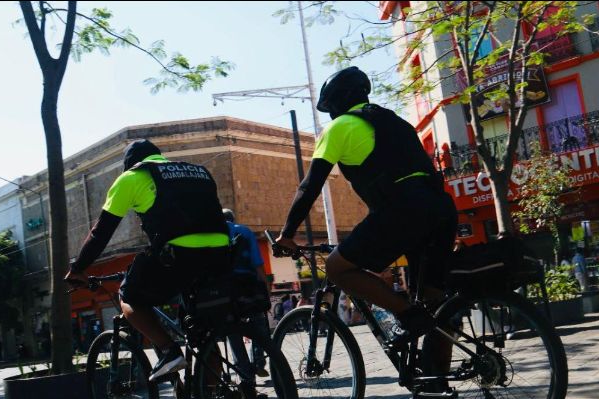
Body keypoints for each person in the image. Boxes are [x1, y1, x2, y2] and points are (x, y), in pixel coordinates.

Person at [275, 66, 458, 349]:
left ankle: (406, 315)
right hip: (441, 207)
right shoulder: (396, 122)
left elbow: (310, 186)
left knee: (337, 268)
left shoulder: (339, 127)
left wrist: (287, 234)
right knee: (434, 304)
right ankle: (434, 388)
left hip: (403, 209)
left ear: (335, 103)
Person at [65, 139, 231, 382]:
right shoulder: (198, 171)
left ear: (130, 163)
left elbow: (101, 232)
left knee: (129, 295)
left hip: (179, 256)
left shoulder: (132, 177)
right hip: (221, 254)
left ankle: (168, 351)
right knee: (200, 331)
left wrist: (78, 268)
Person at [223, 208, 271, 378]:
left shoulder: (217, 233)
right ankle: (258, 361)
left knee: (231, 328)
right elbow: (257, 262)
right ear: (233, 218)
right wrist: (265, 287)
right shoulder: (244, 231)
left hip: (225, 287)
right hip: (248, 285)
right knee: (257, 321)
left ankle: (244, 371)